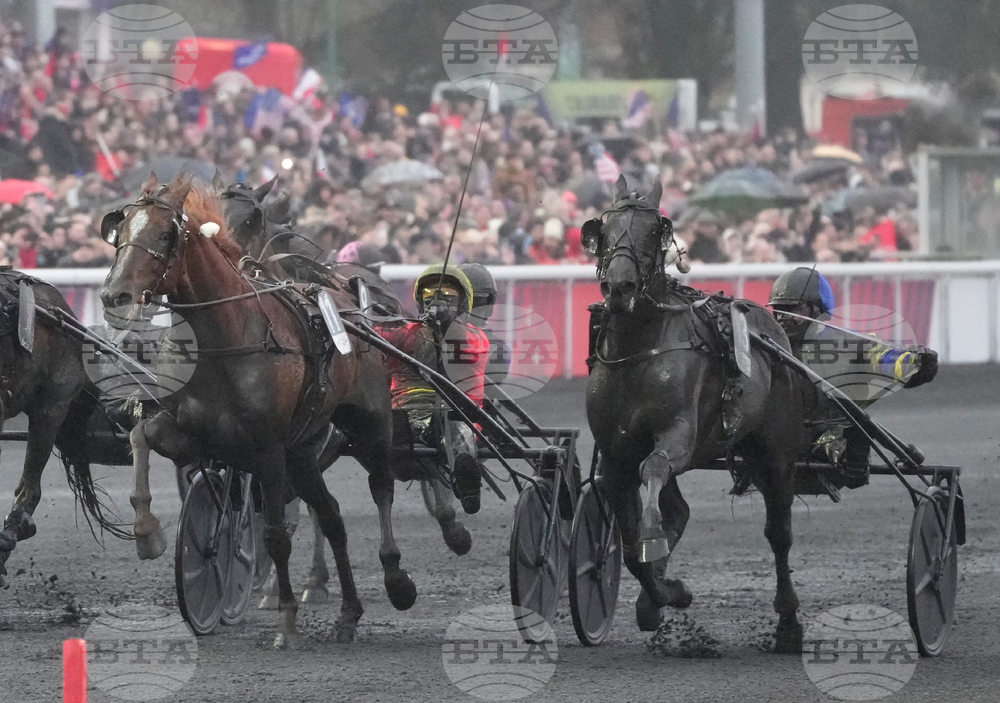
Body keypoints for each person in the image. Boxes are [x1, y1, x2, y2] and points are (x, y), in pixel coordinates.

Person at [768, 267, 938, 489]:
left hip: (825, 437)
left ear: (815, 310)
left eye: (792, 309)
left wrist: (915, 364)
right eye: (778, 310)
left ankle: (853, 460)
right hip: (772, 434)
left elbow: (888, 359)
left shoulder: (849, 344)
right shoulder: (763, 344)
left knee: (848, 432)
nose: (783, 318)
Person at [378, 265, 489, 513]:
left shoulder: (474, 336)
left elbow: (469, 351)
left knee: (458, 429)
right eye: (430, 294)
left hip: (457, 414)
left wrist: (450, 326)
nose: (437, 300)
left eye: (448, 295)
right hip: (408, 412)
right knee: (391, 428)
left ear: (463, 302)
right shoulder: (409, 332)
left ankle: (467, 481)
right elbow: (381, 340)